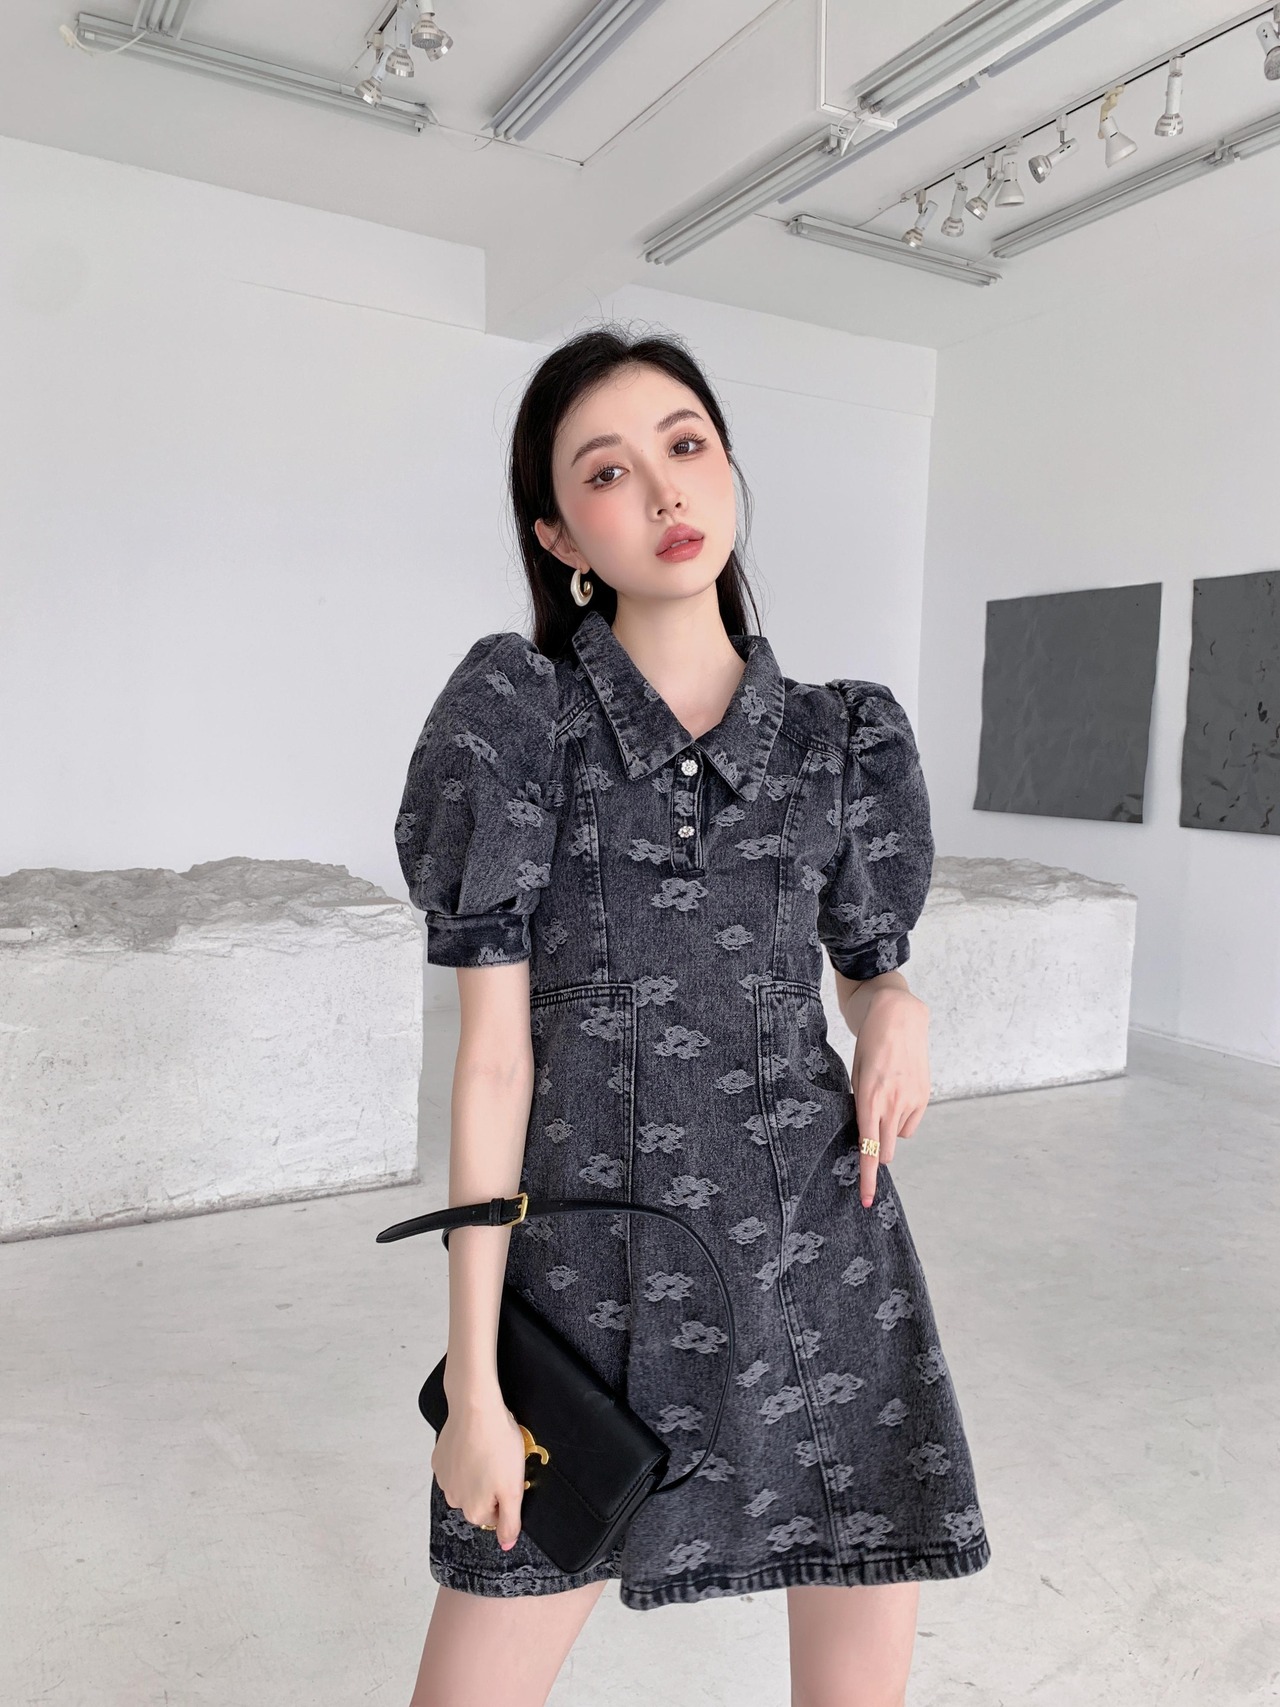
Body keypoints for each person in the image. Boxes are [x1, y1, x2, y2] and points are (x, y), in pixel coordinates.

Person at [392, 324, 990, 1707]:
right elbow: (494, 1070)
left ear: (726, 469)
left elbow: (860, 957)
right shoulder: (521, 725)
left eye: (686, 445)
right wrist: (476, 1384)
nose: (664, 491)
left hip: (821, 1269)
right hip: (590, 1285)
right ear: (560, 536)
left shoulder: (843, 740)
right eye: (607, 471)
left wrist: (891, 996)